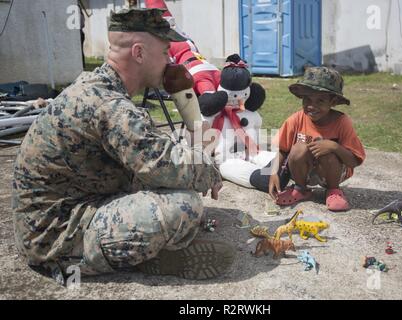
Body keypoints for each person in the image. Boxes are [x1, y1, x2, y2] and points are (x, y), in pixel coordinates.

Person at [12, 8, 235, 284]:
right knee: (184, 206)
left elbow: (149, 151)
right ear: (139, 53)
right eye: (166, 52)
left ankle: (147, 251)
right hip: (55, 237)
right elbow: (164, 165)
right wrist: (209, 168)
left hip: (69, 207)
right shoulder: (109, 106)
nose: (171, 61)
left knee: (174, 185)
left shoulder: (99, 86)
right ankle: (134, 258)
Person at [261, 67, 366, 211]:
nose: (312, 106)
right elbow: (282, 149)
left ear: (333, 101)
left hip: (333, 172)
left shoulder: (342, 122)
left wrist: (334, 147)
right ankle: (301, 189)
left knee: (328, 153)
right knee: (298, 148)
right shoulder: (296, 119)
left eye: (320, 101)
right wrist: (273, 174)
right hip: (303, 172)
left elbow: (354, 161)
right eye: (307, 99)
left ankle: (333, 191)